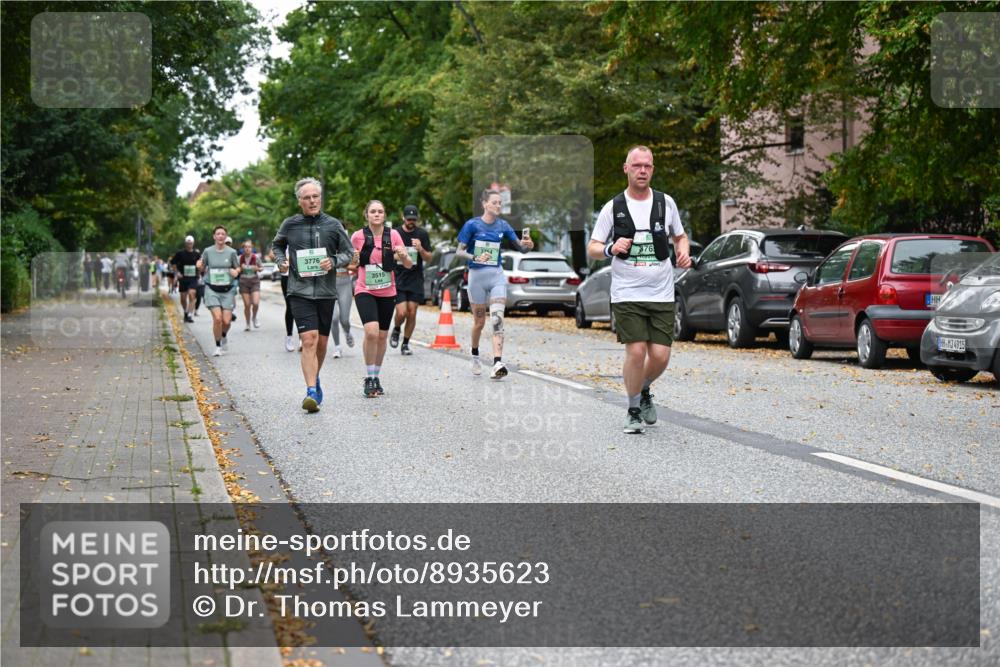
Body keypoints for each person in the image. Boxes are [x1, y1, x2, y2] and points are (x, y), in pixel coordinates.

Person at [588, 145, 691, 434]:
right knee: (635, 352)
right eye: (637, 165)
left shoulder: (664, 203)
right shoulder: (614, 207)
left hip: (661, 293)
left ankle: (643, 388)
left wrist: (682, 252)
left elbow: (680, 236)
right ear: (627, 169)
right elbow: (593, 247)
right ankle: (633, 410)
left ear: (652, 169)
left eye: (647, 166)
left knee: (660, 356)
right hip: (628, 293)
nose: (642, 170)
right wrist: (610, 247)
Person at [271, 177, 354, 413]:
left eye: (315, 196)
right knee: (309, 340)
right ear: (300, 201)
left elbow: (349, 252)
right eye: (307, 197)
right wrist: (281, 260)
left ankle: (315, 378)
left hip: (327, 292)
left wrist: (335, 261)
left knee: (322, 343)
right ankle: (310, 392)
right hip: (299, 290)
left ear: (320, 198)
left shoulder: (333, 225)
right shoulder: (290, 224)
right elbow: (277, 245)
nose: (312, 201)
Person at [455, 189, 533, 379]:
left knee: (497, 320)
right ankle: (474, 355)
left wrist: (528, 245)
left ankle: (497, 362)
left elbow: (521, 248)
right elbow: (459, 251)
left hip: (496, 276)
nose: (498, 206)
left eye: (500, 203)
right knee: (479, 322)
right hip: (476, 277)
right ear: (485, 204)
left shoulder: (503, 225)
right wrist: (475, 256)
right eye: (495, 202)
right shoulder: (472, 225)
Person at [351, 200, 413, 397]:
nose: (376, 214)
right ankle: (368, 377)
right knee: (371, 332)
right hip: (364, 289)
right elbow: (351, 265)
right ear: (366, 215)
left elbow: (409, 264)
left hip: (388, 291)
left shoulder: (393, 235)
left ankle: (376, 375)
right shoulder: (358, 236)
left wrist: (403, 255)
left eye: (380, 212)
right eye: (373, 211)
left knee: (382, 336)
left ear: (384, 215)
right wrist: (352, 259)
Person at [389, 204, 432, 356]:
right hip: (399, 276)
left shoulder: (422, 234)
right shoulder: (395, 233)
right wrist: (400, 255)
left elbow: (429, 258)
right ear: (403, 218)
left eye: (414, 219)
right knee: (402, 312)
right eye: (409, 219)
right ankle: (396, 329)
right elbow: (386, 255)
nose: (411, 222)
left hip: (415, 278)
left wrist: (420, 249)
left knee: (412, 312)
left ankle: (405, 344)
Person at [197, 226, 240, 356]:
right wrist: (199, 266)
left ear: (225, 237)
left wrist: (235, 271)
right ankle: (218, 345)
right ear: (214, 236)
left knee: (226, 321)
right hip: (212, 289)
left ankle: (223, 335)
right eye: (218, 234)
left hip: (227, 290)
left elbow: (238, 268)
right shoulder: (208, 251)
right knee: (217, 318)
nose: (220, 236)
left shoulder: (231, 252)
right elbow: (202, 267)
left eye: (223, 234)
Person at [270, 248, 299, 352]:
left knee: (303, 306)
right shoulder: (284, 235)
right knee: (291, 307)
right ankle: (289, 336)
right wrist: (282, 261)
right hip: (287, 276)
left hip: (302, 275)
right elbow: (273, 254)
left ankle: (302, 337)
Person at [328, 258, 355, 358]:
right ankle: (337, 347)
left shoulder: (346, 247)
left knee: (344, 319)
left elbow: (356, 267)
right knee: (334, 318)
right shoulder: (325, 246)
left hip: (345, 283)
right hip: (329, 285)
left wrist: (342, 265)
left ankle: (347, 332)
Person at [171, 236, 201, 322]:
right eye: (188, 243)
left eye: (191, 243)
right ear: (185, 243)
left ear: (193, 244)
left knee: (192, 295)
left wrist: (199, 274)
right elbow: (173, 263)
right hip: (183, 278)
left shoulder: (196, 254)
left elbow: (200, 265)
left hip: (193, 278)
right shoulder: (180, 253)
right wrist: (177, 273)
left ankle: (189, 314)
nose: (189, 245)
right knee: (183, 298)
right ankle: (185, 312)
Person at [238, 239, 262, 330]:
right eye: (245, 247)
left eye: (249, 247)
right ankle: (247, 324)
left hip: (254, 281)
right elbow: (236, 268)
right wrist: (240, 268)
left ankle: (254, 317)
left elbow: (261, 268)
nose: (247, 249)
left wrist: (257, 268)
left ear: (252, 248)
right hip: (243, 282)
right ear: (243, 248)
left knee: (255, 303)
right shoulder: (239, 258)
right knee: (247, 305)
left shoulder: (256, 257)